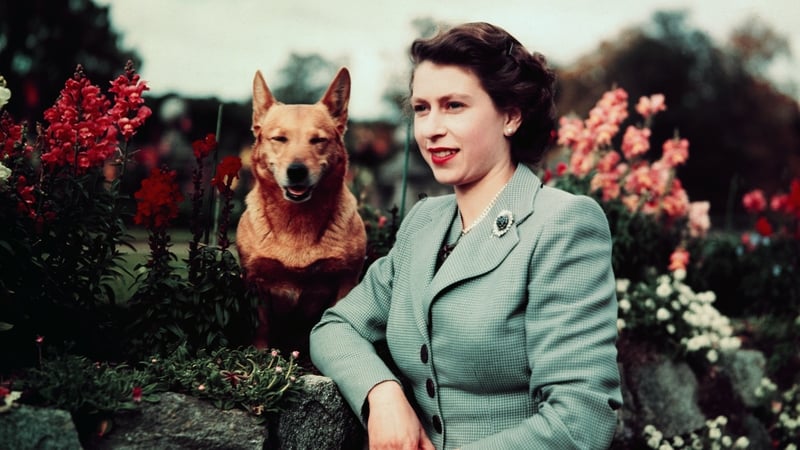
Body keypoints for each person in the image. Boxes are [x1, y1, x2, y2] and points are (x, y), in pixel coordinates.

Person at [310, 22, 622, 450]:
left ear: (511, 115)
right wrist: (381, 394)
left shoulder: (563, 224)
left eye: (454, 105)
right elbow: (335, 326)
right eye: (422, 108)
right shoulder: (424, 223)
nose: (431, 128)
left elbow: (581, 419)